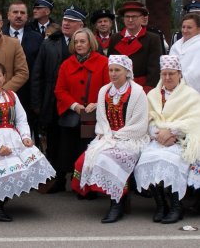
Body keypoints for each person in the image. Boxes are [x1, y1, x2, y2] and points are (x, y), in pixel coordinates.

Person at [0, 61, 55, 222]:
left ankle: (4, 198)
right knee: (4, 165)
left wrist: (26, 137)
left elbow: (22, 120)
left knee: (33, 157)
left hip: (13, 138)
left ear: (4, 77)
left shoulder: (12, 95)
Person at [71, 55, 149, 223]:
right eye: (111, 70)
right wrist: (106, 134)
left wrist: (117, 135)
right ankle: (110, 196)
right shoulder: (104, 91)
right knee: (85, 159)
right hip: (108, 137)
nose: (113, 74)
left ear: (127, 72)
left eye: (117, 70)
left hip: (131, 139)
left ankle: (117, 203)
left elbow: (140, 125)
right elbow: (102, 119)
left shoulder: (137, 93)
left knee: (110, 159)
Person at [134, 55, 200, 224]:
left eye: (171, 74)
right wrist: (158, 132)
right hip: (158, 139)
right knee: (148, 159)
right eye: (164, 74)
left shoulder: (191, 95)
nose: (167, 78)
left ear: (179, 74)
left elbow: (194, 120)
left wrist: (172, 132)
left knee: (170, 161)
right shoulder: (153, 95)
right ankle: (161, 205)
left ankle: (176, 207)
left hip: (180, 141)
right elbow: (147, 119)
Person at [30, 5, 86, 192]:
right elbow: (37, 74)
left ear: (81, 24)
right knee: (54, 142)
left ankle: (80, 181)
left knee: (77, 141)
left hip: (78, 103)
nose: (66, 23)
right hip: (52, 101)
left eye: (71, 21)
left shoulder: (85, 43)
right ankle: (58, 179)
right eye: (64, 20)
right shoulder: (49, 43)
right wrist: (37, 103)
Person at [54, 28, 109, 188]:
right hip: (72, 114)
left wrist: (97, 104)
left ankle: (87, 185)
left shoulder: (103, 62)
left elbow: (108, 88)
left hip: (94, 115)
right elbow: (60, 90)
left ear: (90, 42)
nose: (78, 44)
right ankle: (64, 180)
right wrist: (75, 105)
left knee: (88, 150)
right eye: (76, 41)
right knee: (67, 149)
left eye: (82, 41)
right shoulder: (66, 64)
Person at [2, 1, 42, 125]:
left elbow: (39, 69)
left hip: (28, 95)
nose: (19, 15)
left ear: (27, 16)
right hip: (1, 91)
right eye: (15, 12)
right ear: (8, 15)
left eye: (22, 13)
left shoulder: (37, 38)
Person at [108, 1, 162, 92]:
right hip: (118, 88)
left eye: (134, 17)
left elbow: (154, 69)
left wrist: (147, 90)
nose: (130, 20)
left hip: (142, 88)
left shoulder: (153, 39)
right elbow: (109, 65)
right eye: (127, 16)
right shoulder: (114, 38)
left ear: (142, 19)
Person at [169, 13, 200, 93]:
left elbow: (195, 72)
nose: (185, 30)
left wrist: (179, 81)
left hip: (193, 92)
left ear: (198, 29)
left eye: (189, 27)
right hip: (173, 88)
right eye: (183, 27)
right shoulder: (176, 45)